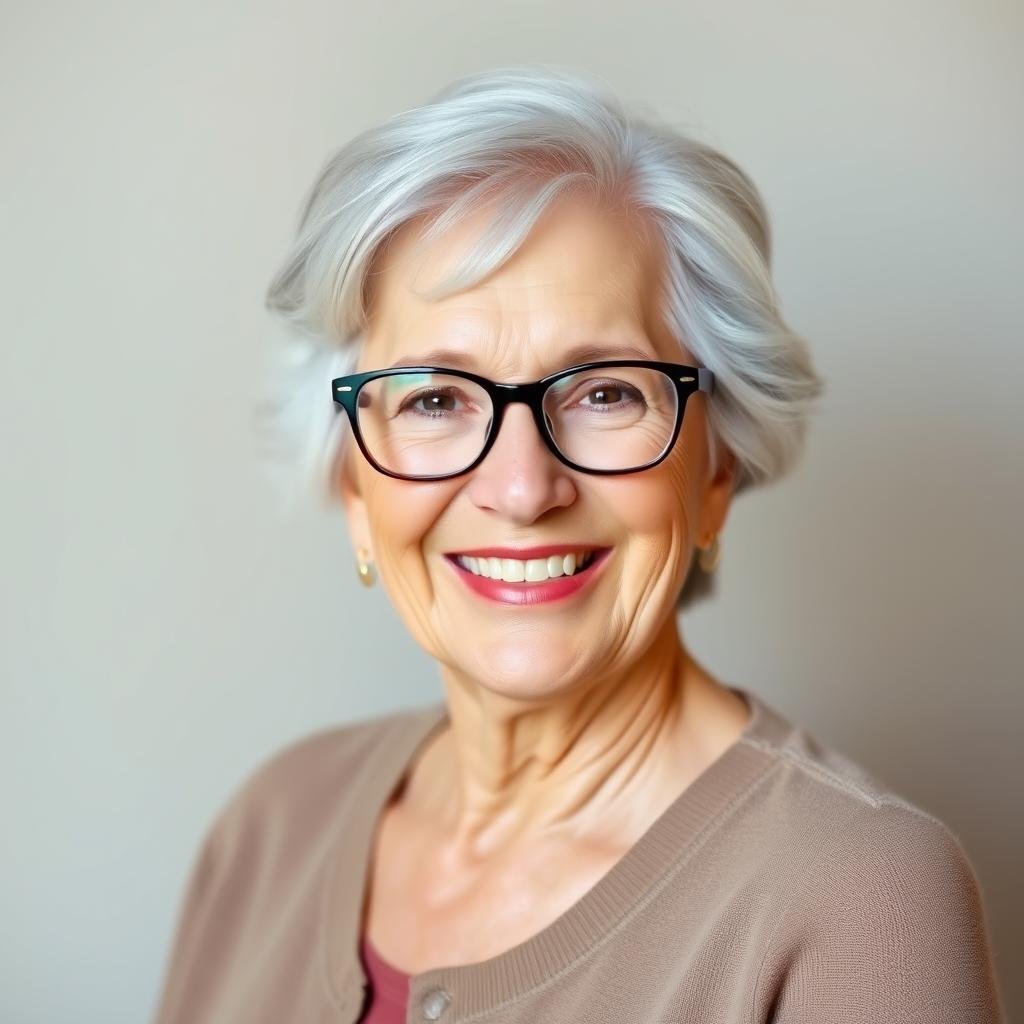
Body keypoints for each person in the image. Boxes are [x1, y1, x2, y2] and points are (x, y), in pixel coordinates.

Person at [151, 65, 1005, 1023]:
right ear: (356, 486)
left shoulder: (860, 900)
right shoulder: (274, 824)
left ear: (714, 471)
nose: (521, 490)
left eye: (605, 393)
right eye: (436, 398)